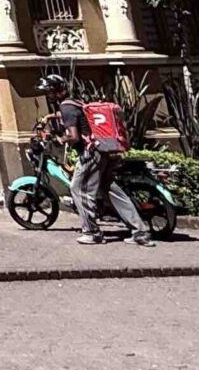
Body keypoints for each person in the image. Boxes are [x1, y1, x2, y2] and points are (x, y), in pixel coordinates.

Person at [37, 74, 148, 247]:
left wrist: (58, 139)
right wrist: (50, 117)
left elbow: (73, 136)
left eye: (48, 92)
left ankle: (92, 232)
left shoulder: (66, 107)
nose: (47, 95)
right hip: (103, 149)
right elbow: (74, 116)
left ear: (55, 92)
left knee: (78, 189)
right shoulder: (75, 103)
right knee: (110, 190)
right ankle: (139, 231)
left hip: (91, 154)